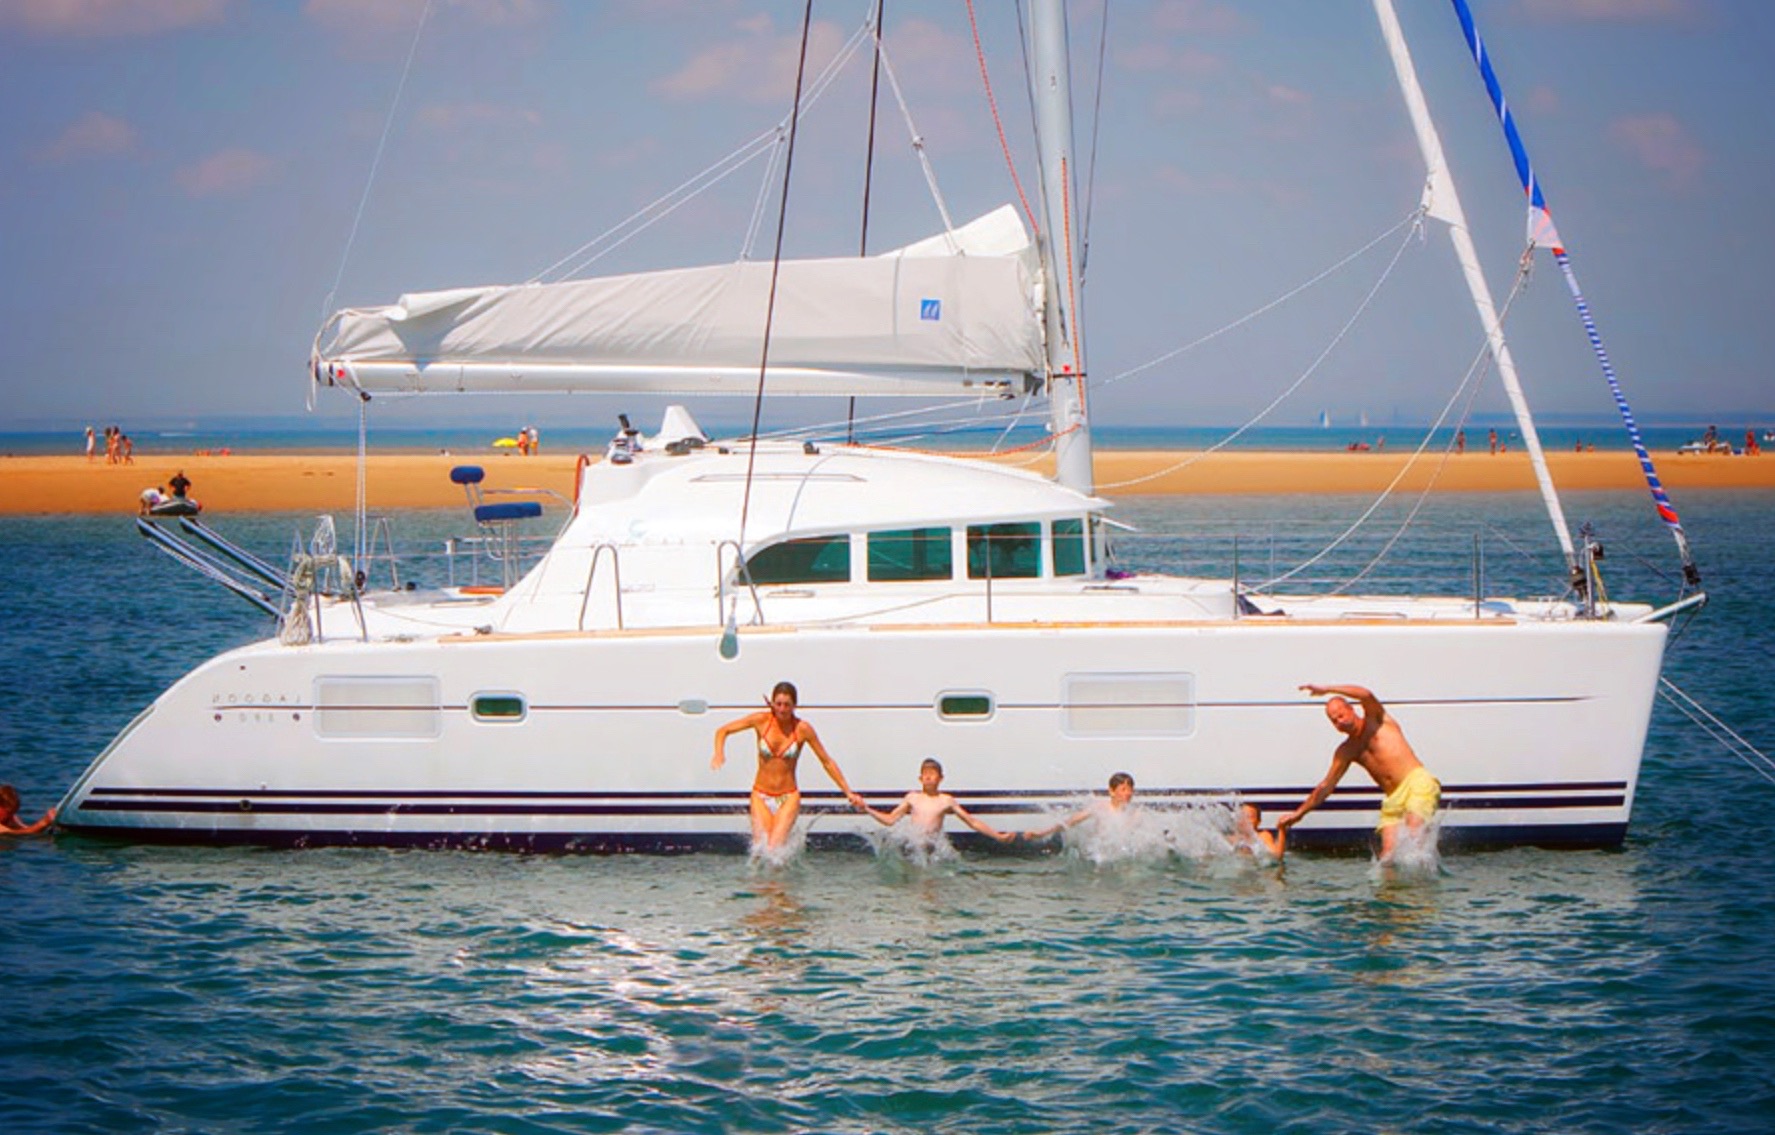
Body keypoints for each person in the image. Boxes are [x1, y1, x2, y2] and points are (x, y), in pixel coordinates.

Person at [1279, 684, 1440, 861]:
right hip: (1393, 798)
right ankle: (1389, 889)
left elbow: (1366, 694)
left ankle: (1423, 884)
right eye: (1334, 720)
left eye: (1341, 715)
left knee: (1413, 835)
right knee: (1387, 858)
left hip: (1415, 781)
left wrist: (1327, 689)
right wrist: (1298, 814)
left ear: (1351, 709)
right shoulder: (1347, 750)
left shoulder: (1377, 719)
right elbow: (1326, 786)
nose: (1339, 721)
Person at [711, 681, 863, 849]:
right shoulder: (761, 720)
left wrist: (848, 791)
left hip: (788, 796)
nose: (782, 709)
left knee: (774, 848)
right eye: (779, 704)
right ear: (772, 703)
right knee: (761, 850)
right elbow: (722, 731)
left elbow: (826, 761)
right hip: (761, 793)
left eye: (787, 705)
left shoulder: (802, 729)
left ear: (794, 706)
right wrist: (719, 753)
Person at [860, 757, 1014, 846]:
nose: (928, 777)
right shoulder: (912, 797)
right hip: (912, 846)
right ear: (920, 778)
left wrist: (997, 836)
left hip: (931, 847)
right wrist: (867, 808)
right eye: (925, 774)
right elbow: (890, 819)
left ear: (940, 778)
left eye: (932, 774)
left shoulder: (946, 800)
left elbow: (971, 822)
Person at [1021, 771, 1138, 842]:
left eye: (1130, 790)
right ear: (1111, 791)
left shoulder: (1135, 814)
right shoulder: (1100, 808)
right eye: (1123, 790)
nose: (1127, 794)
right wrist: (1042, 833)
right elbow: (1070, 822)